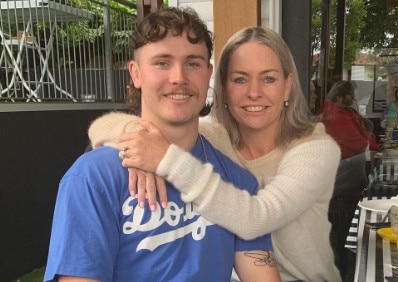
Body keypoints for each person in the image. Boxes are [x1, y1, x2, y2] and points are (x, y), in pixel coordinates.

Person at [44, 7, 280, 282]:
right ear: (136, 73)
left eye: (193, 63)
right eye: (162, 62)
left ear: (208, 73)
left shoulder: (237, 182)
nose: (179, 77)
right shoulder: (93, 178)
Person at [88, 26, 342, 282]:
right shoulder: (215, 140)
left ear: (287, 87)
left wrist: (165, 159)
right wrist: (139, 138)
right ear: (223, 88)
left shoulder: (315, 148)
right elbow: (100, 128)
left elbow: (255, 218)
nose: (254, 92)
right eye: (240, 79)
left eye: (269, 79)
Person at [316, 80, 379, 281]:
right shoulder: (332, 116)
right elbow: (356, 143)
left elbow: (364, 134)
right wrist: (372, 147)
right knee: (341, 241)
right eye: (350, 95)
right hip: (341, 187)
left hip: (350, 181)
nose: (353, 98)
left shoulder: (343, 112)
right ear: (339, 95)